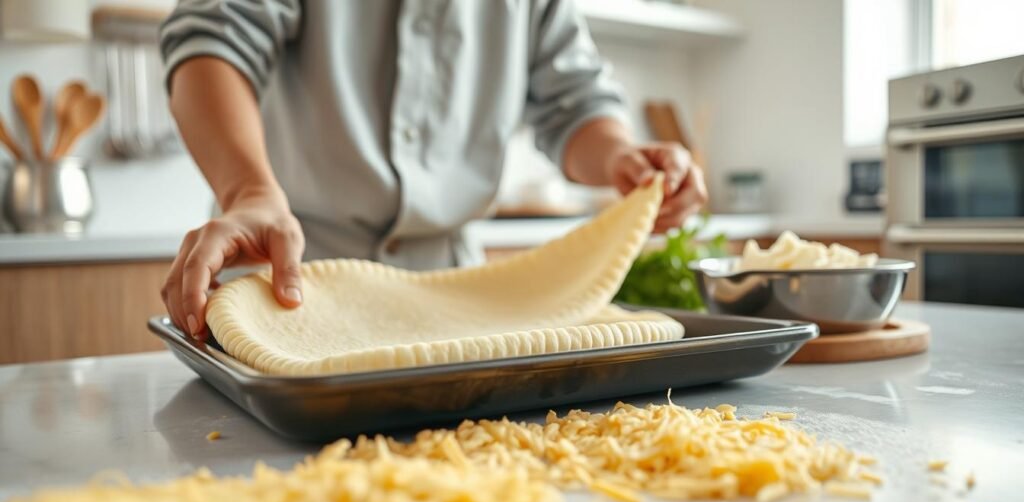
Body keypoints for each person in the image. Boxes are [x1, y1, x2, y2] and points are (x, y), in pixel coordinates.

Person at [158, 1, 708, 340]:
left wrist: (619, 155)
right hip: (287, 279)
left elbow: (576, 102)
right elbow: (215, 42)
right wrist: (249, 191)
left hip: (460, 302)